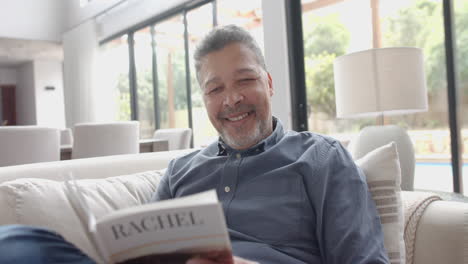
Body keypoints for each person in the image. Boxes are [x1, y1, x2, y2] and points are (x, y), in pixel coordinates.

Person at [0, 25, 389, 264]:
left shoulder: (320, 157)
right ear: (204, 99)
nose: (231, 99)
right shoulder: (181, 171)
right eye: (215, 88)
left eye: (245, 80)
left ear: (268, 83)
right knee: (16, 242)